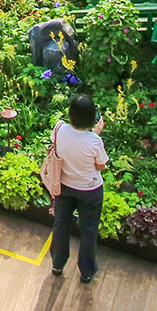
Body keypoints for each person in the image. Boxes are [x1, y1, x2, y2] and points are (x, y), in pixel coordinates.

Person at [49, 93, 108, 283]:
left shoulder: (59, 130)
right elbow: (101, 166)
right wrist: (95, 134)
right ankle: (86, 271)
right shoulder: (95, 141)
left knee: (60, 224)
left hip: (64, 187)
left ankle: (57, 264)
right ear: (92, 118)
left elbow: (59, 145)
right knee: (88, 230)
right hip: (90, 191)